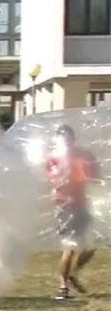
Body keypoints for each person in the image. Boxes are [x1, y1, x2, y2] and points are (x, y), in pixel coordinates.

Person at [45, 125, 100, 300]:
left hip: (81, 203)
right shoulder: (54, 158)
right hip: (64, 205)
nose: (67, 142)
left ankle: (73, 274)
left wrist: (91, 172)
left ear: (73, 139)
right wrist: (62, 176)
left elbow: (96, 177)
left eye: (69, 138)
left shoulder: (83, 155)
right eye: (63, 139)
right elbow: (52, 180)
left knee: (90, 247)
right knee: (70, 246)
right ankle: (63, 288)